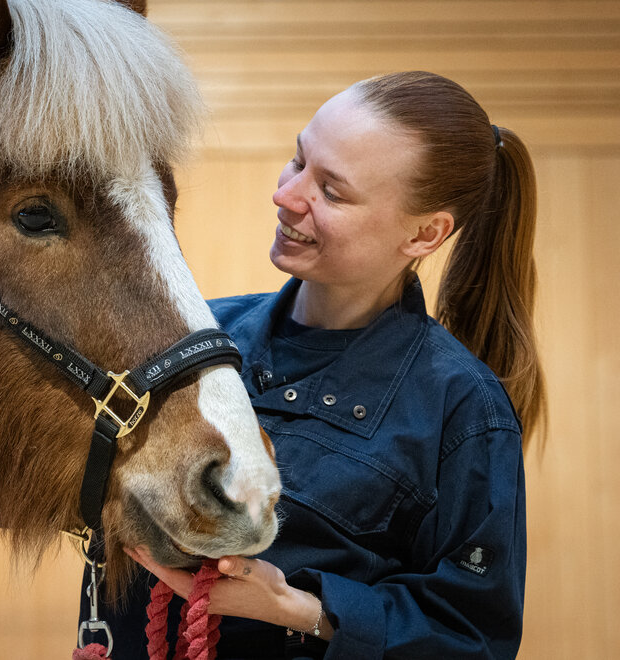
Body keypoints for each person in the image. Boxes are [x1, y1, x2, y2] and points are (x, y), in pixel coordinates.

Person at [87, 71, 546, 659]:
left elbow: (472, 638)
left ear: (425, 234)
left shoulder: (463, 407)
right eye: (297, 159)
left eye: (332, 191)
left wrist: (298, 610)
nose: (286, 195)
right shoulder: (189, 334)